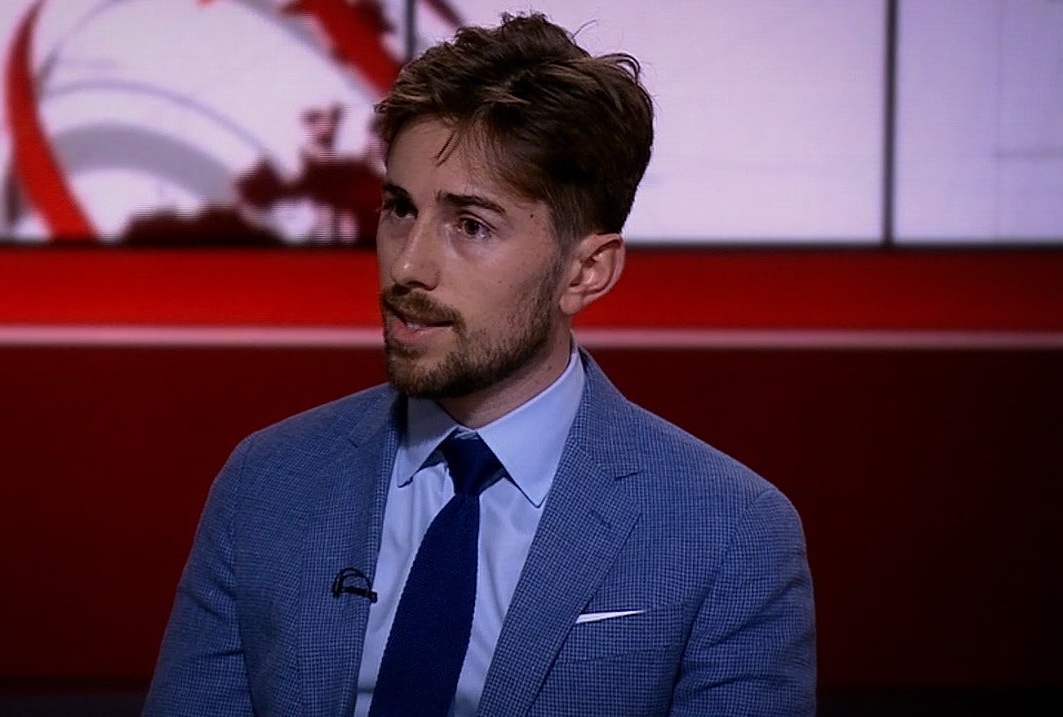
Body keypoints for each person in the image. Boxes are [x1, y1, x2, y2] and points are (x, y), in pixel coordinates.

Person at [143, 12, 815, 716]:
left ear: (585, 271)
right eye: (400, 210)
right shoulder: (268, 482)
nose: (409, 266)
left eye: (470, 224)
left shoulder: (728, 532)